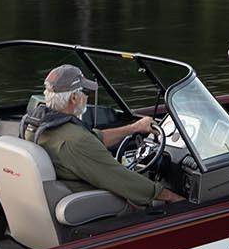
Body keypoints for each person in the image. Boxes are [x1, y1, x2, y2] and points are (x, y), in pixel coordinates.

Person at [19, 64, 184, 207]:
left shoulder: (36, 126)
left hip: (62, 192)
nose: (86, 96)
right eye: (84, 92)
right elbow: (121, 178)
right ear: (74, 98)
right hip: (93, 204)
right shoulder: (76, 140)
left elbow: (93, 139)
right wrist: (170, 196)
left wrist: (134, 128)